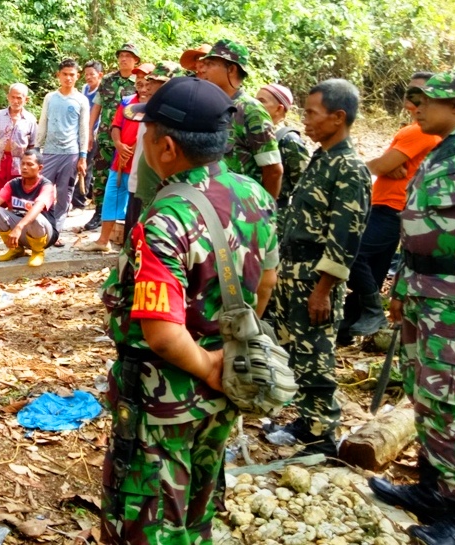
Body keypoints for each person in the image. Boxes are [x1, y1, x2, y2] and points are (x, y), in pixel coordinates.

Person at [100, 77, 278, 543]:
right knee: (199, 505)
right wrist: (228, 353)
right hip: (228, 384)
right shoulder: (254, 196)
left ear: (167, 148)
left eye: (147, 132)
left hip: (165, 398)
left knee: (148, 520)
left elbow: (160, 331)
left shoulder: (165, 219)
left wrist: (206, 366)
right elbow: (268, 282)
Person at [368, 72, 455, 545]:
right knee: (420, 390)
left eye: (422, 101)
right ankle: (432, 489)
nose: (414, 109)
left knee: (443, 398)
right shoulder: (441, 149)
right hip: (422, 285)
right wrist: (402, 288)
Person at [267, 79, 371, 457]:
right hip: (293, 272)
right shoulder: (322, 158)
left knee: (316, 357)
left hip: (315, 278)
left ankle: (322, 434)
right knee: (295, 352)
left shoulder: (349, 167)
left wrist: (323, 289)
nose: (306, 120)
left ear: (338, 117)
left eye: (313, 113)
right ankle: (306, 421)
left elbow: (345, 236)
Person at [337, 72, 441, 343]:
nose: (415, 100)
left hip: (394, 207)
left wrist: (365, 166)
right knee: (373, 267)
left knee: (354, 251)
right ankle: (349, 327)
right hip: (389, 204)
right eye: (412, 93)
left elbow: (381, 166)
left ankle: (372, 309)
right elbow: (388, 166)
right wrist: (386, 167)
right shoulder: (417, 130)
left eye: (422, 94)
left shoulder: (420, 131)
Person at [78, 63, 153, 252]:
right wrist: (120, 146)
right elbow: (115, 126)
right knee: (111, 197)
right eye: (139, 82)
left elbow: (149, 132)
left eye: (146, 83)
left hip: (143, 164)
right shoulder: (127, 102)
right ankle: (103, 241)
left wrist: (134, 149)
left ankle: (138, 245)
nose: (142, 87)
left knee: (140, 205)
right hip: (119, 161)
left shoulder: (156, 106)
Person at [199, 40, 283, 198]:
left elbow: (273, 171)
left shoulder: (251, 111)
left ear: (231, 69)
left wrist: (264, 212)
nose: (203, 69)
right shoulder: (212, 105)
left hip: (242, 209)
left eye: (210, 64)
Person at [83, 43, 138, 231]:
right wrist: (89, 132)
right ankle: (99, 212)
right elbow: (97, 106)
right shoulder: (107, 80)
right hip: (106, 136)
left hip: (129, 139)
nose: (124, 59)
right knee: (101, 174)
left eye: (128, 56)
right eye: (121, 55)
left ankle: (125, 215)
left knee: (128, 177)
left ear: (136, 60)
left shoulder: (140, 81)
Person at [124, 61, 181, 238]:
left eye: (156, 82)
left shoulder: (176, 118)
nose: (149, 87)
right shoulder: (148, 110)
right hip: (140, 186)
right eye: (150, 81)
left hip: (158, 194)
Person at [0, 149, 57, 267]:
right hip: (21, 232)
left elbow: (37, 208)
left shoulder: (46, 186)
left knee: (34, 216)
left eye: (30, 164)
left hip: (44, 234)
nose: (24, 167)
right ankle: (15, 249)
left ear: (40, 168)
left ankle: (38, 252)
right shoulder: (14, 183)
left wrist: (19, 227)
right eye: (22, 164)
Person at [36, 58, 89, 238]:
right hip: (50, 151)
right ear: (58, 75)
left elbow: (83, 129)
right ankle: (41, 227)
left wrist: (83, 156)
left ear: (77, 76)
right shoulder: (50, 98)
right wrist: (36, 147)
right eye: (64, 74)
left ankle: (56, 230)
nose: (68, 78)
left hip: (71, 153)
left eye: (72, 75)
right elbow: (43, 122)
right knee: (43, 190)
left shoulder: (81, 100)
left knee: (64, 192)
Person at [255, 83, 311, 231]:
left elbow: (304, 186)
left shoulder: (289, 140)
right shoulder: (255, 135)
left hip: (274, 218)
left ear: (279, 109)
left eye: (262, 101)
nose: (255, 105)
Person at [0, 83, 37, 196]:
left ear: (26, 99)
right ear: (8, 97)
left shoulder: (30, 119)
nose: (15, 101)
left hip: (19, 162)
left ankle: (13, 213)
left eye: (19, 98)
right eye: (13, 97)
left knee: (16, 192)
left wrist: (31, 166)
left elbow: (33, 145)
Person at [72, 60, 104, 211]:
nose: (89, 77)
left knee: (87, 166)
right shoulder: (85, 89)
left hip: (93, 134)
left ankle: (79, 200)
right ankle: (88, 193)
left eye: (92, 74)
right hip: (81, 132)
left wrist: (91, 135)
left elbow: (98, 116)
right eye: (86, 74)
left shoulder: (102, 92)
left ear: (100, 75)